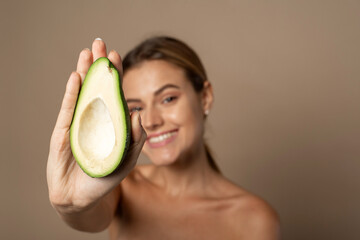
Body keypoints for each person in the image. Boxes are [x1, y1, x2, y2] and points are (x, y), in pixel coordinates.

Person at [47, 36, 280, 240]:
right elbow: (87, 217)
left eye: (168, 99)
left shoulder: (255, 218)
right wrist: (68, 205)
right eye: (136, 107)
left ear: (205, 97)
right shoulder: (122, 189)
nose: (151, 121)